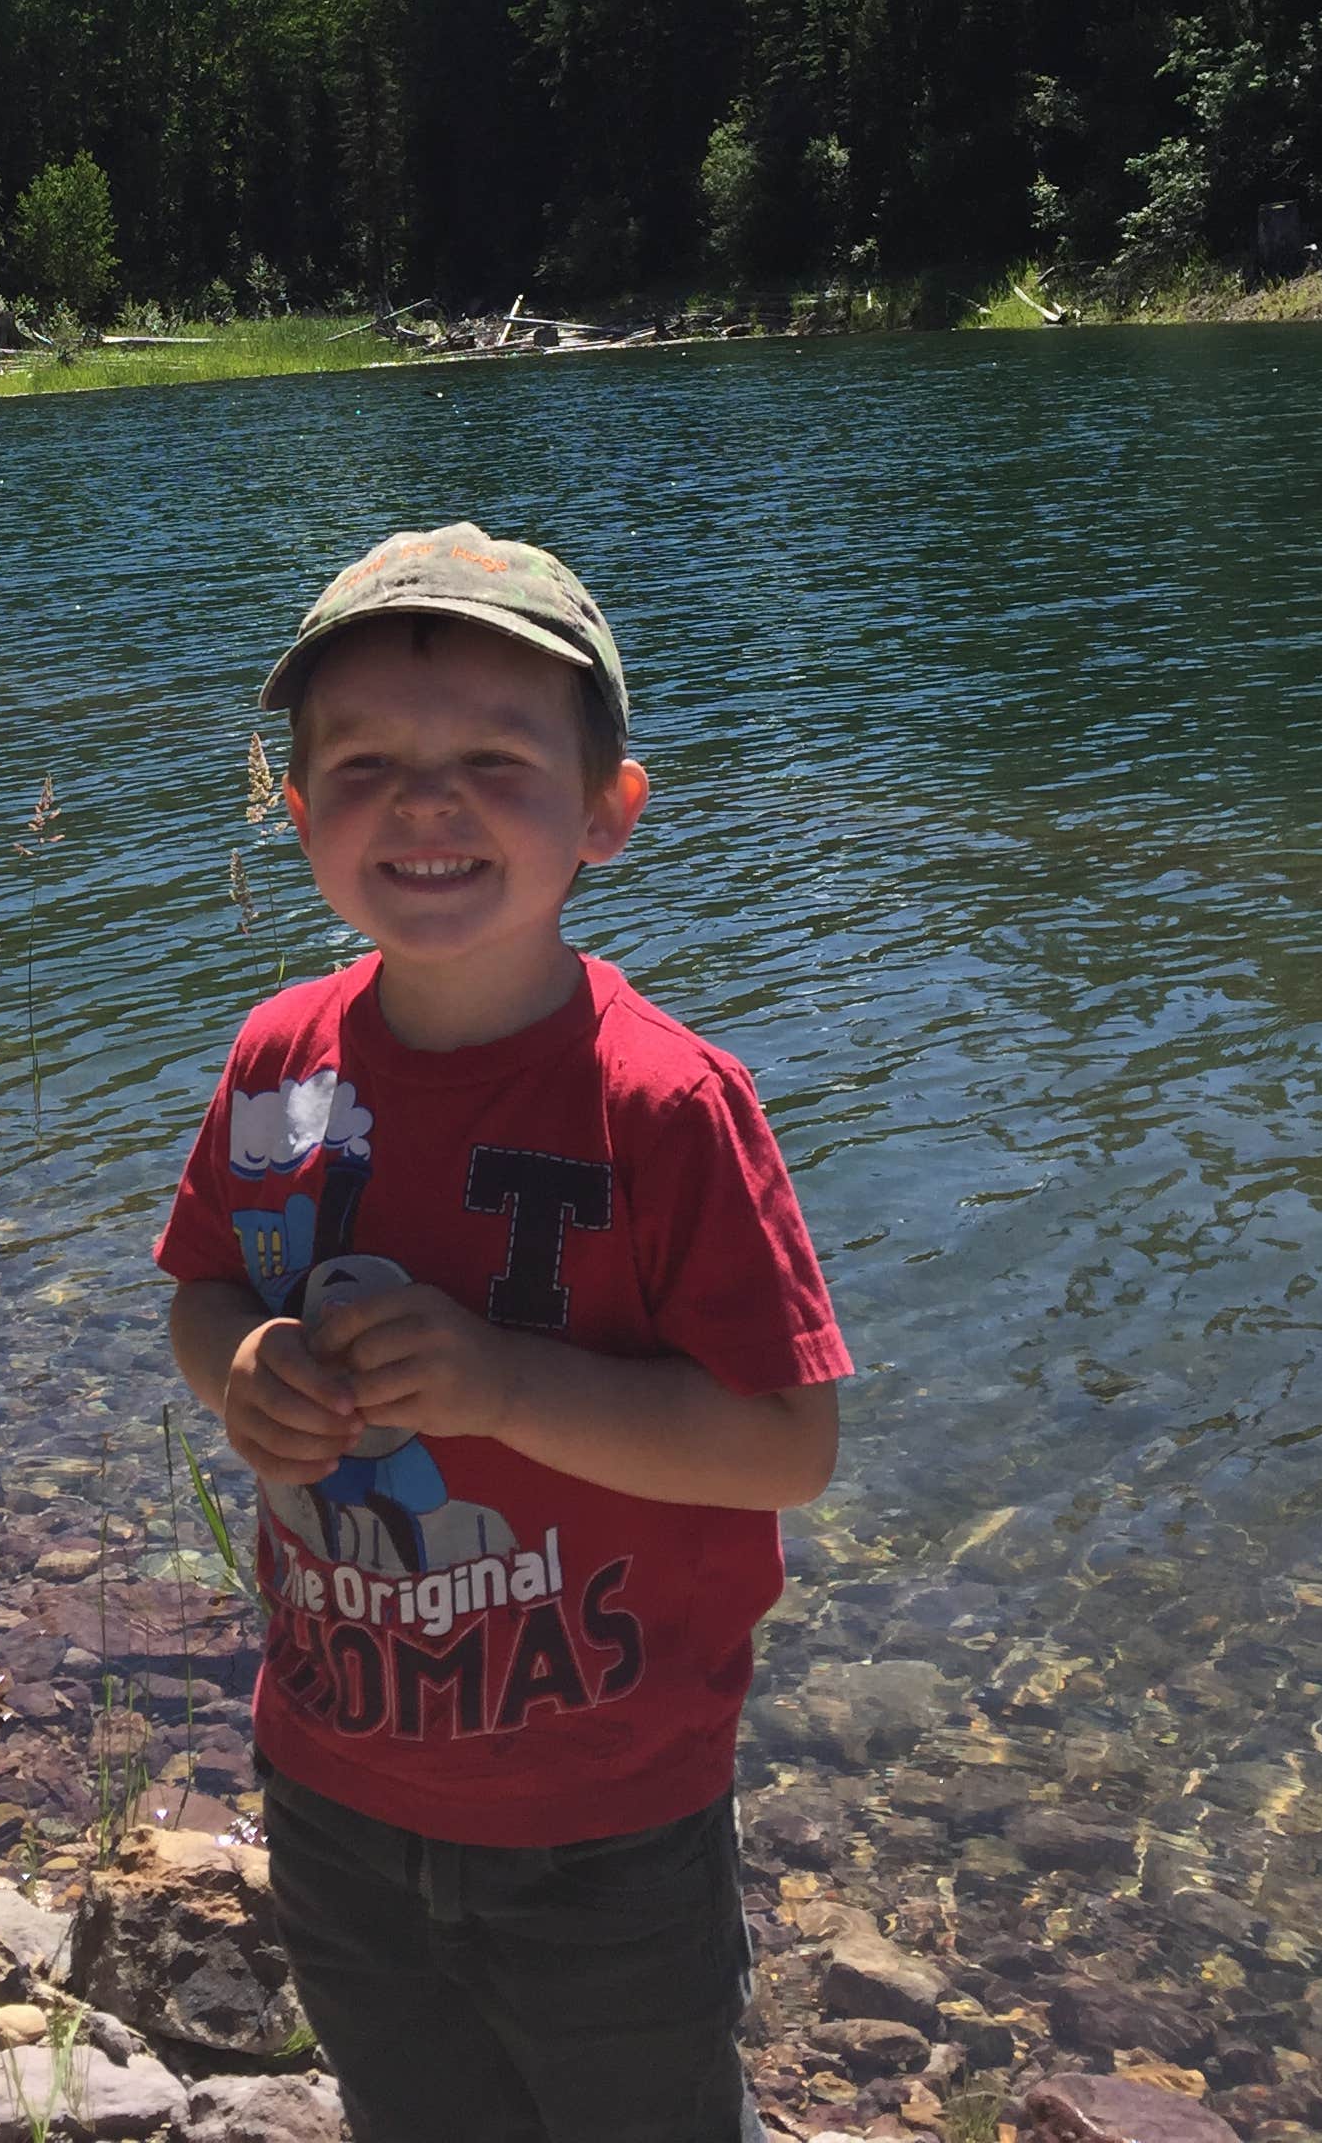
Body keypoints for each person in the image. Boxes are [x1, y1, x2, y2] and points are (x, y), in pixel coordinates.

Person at [159, 522, 851, 2143]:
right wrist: (243, 1371)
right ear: (295, 807)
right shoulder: (278, 1061)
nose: (423, 801)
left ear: (610, 813)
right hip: (333, 1780)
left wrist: (506, 1384)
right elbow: (202, 1291)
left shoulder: (667, 1106)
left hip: (608, 1821)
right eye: (363, 764)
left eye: (495, 758)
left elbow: (787, 1445)